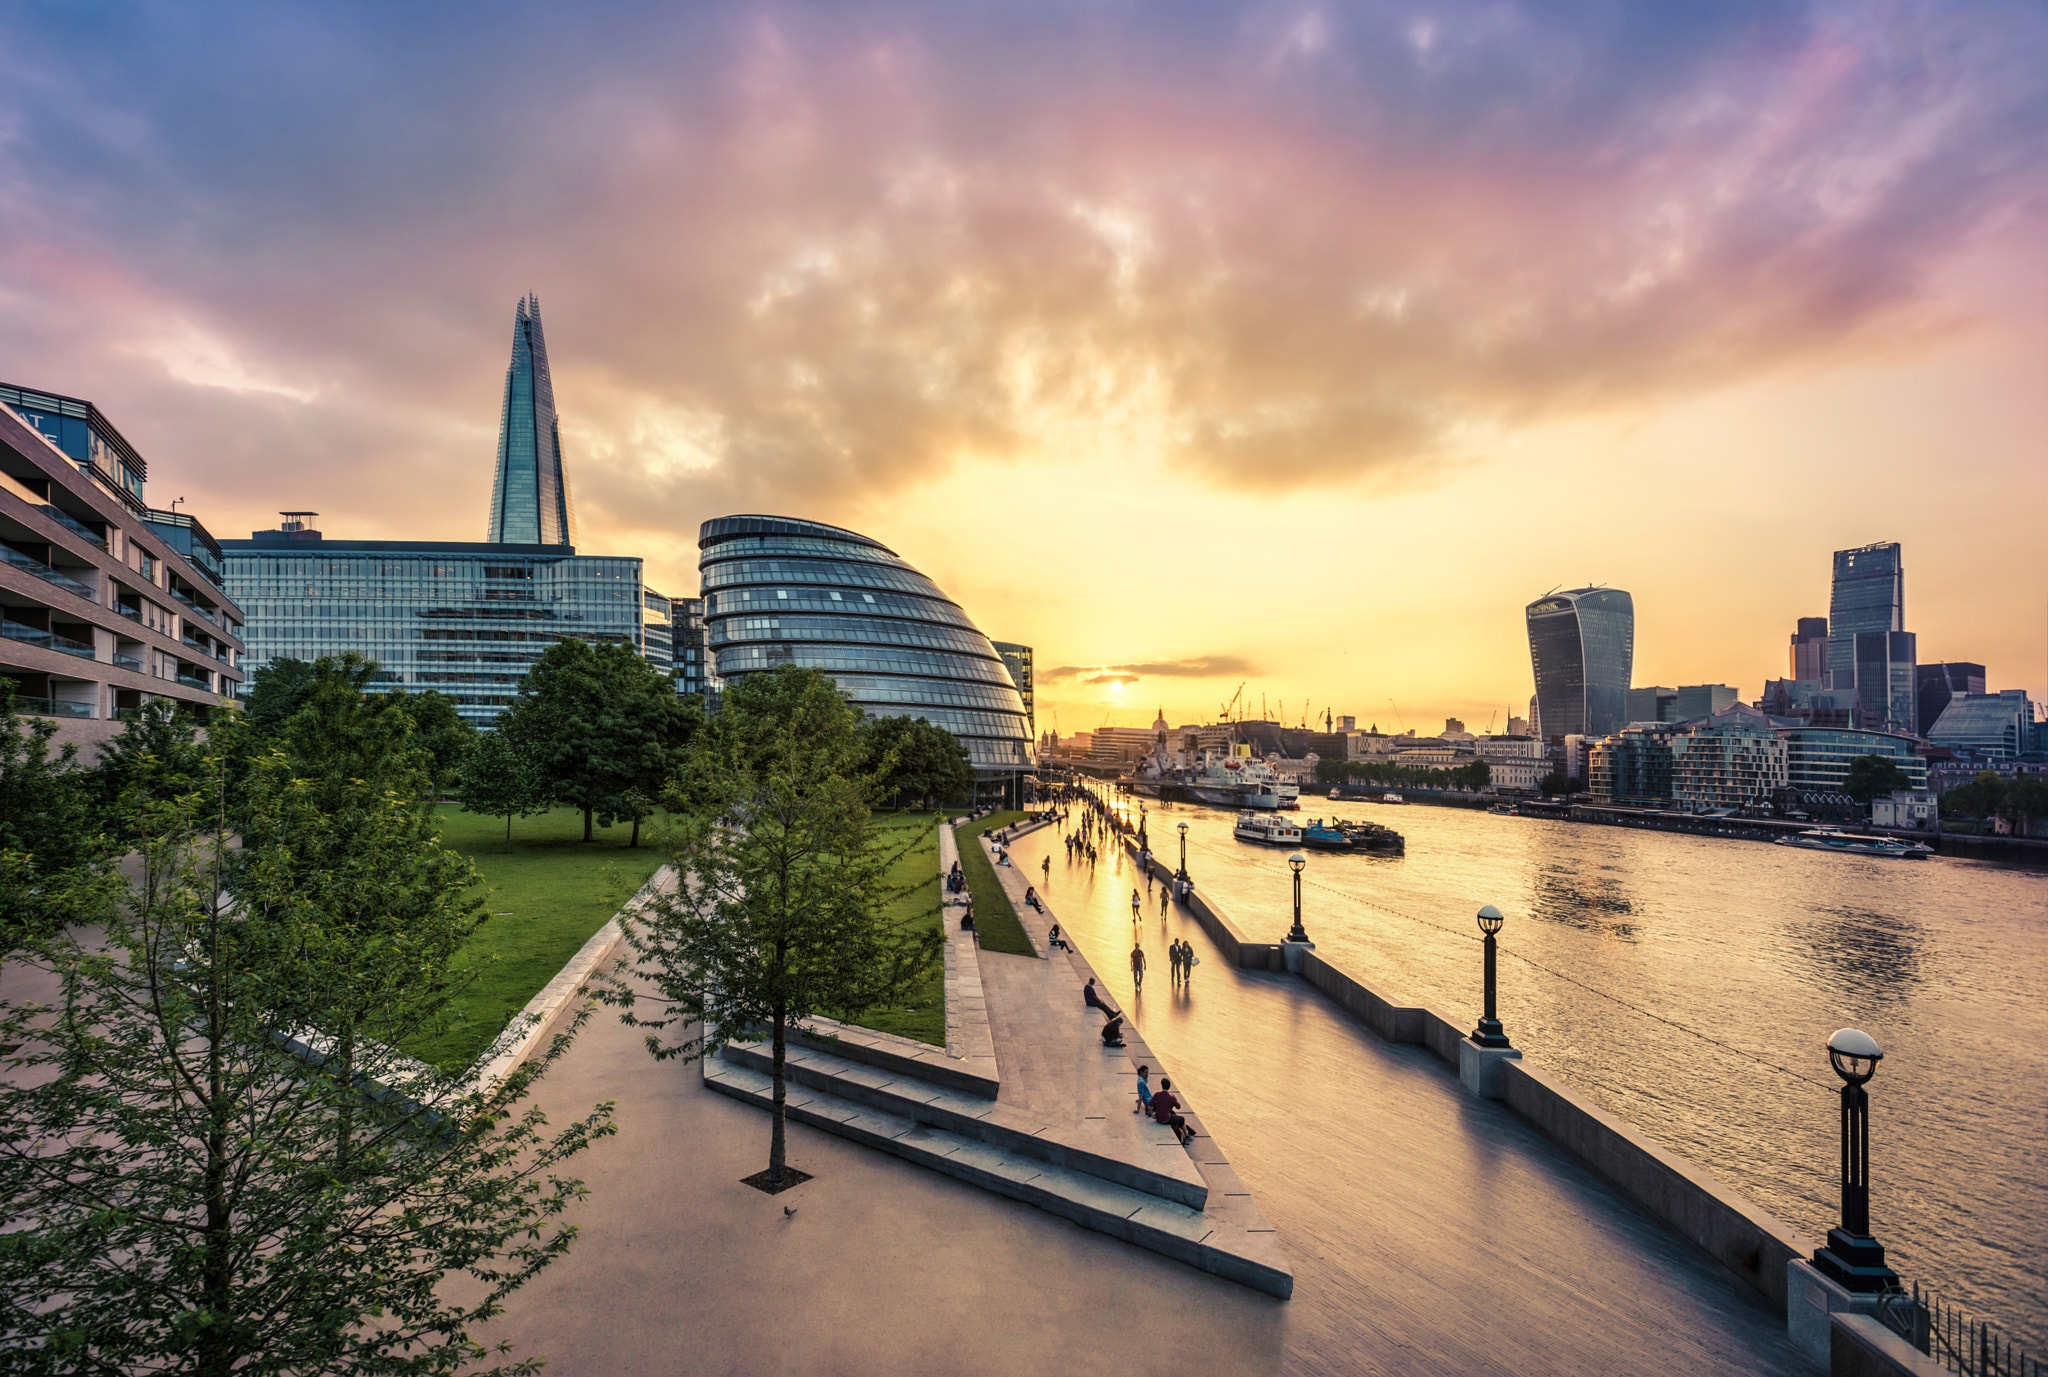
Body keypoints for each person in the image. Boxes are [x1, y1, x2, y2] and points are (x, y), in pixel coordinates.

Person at [1151, 1077, 1192, 1144]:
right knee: (1182, 1119)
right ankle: (1186, 1135)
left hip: (1158, 1118)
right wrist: (1175, 1099)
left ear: (1162, 1085)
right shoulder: (1171, 1097)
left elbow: (1150, 1105)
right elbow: (1178, 1107)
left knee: (1172, 1114)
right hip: (1166, 1120)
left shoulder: (1157, 1094)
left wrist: (1152, 1114)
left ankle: (1186, 1132)